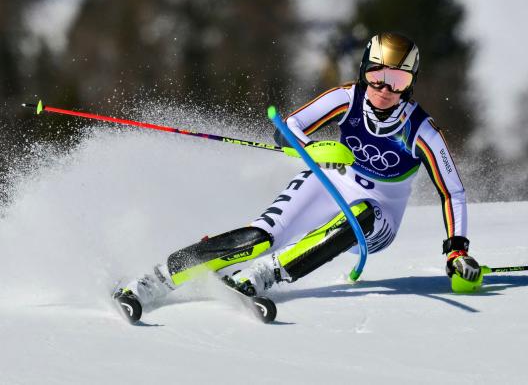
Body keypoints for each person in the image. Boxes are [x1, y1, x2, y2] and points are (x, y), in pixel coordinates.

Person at [113, 32, 481, 322]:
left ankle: (260, 277)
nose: (385, 90)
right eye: (377, 76)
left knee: (360, 217)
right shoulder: (346, 98)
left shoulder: (421, 130)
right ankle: (154, 280)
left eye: (397, 80)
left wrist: (457, 251)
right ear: (363, 72)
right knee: (260, 237)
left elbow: (452, 193)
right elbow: (290, 126)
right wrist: (313, 148)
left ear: (410, 82)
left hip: (380, 215)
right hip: (330, 180)